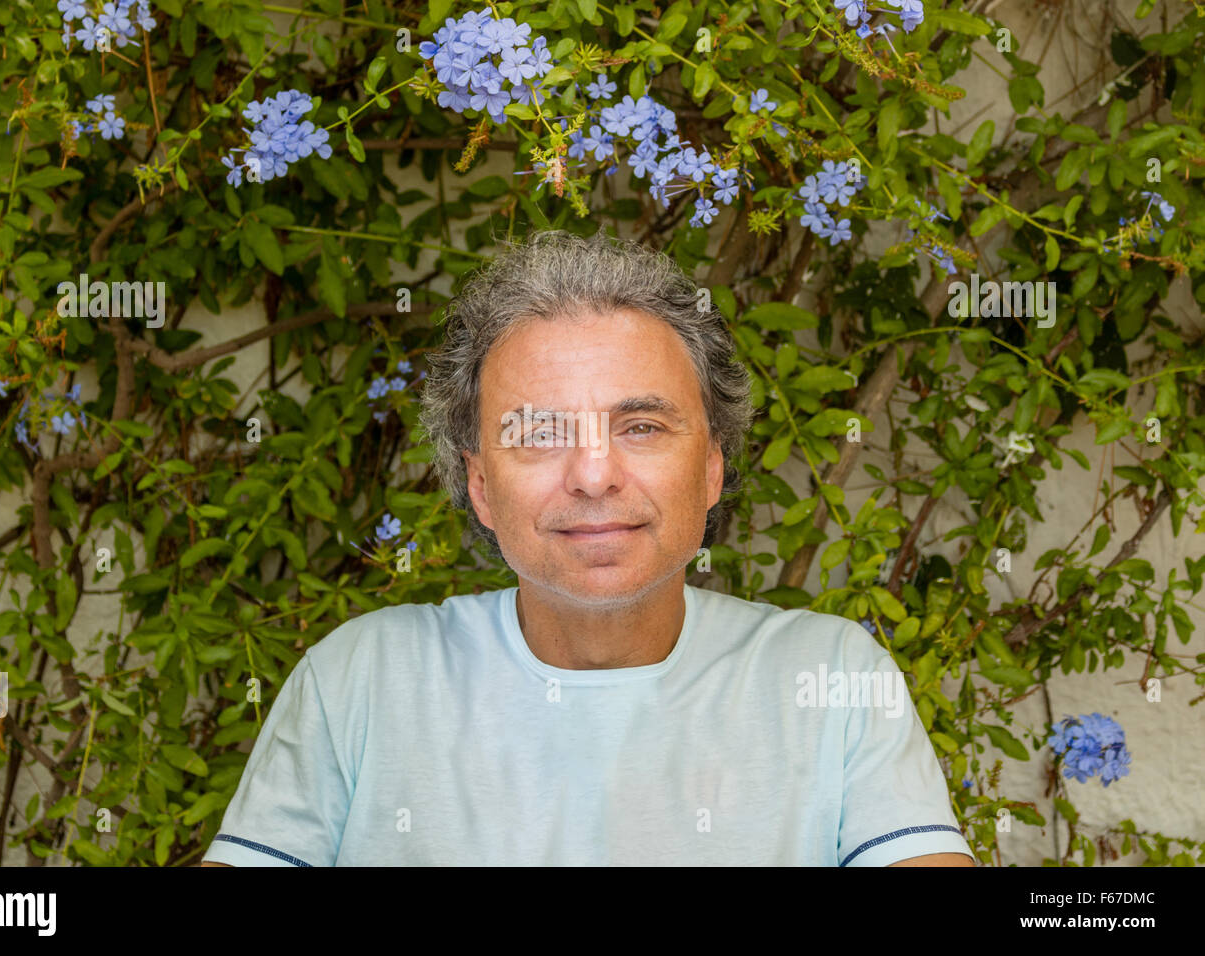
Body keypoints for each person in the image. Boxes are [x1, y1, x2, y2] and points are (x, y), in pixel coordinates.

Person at [201, 228, 974, 866]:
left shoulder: (833, 678)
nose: (594, 474)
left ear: (711, 469)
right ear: (479, 487)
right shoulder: (361, 679)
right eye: (539, 433)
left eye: (640, 427)